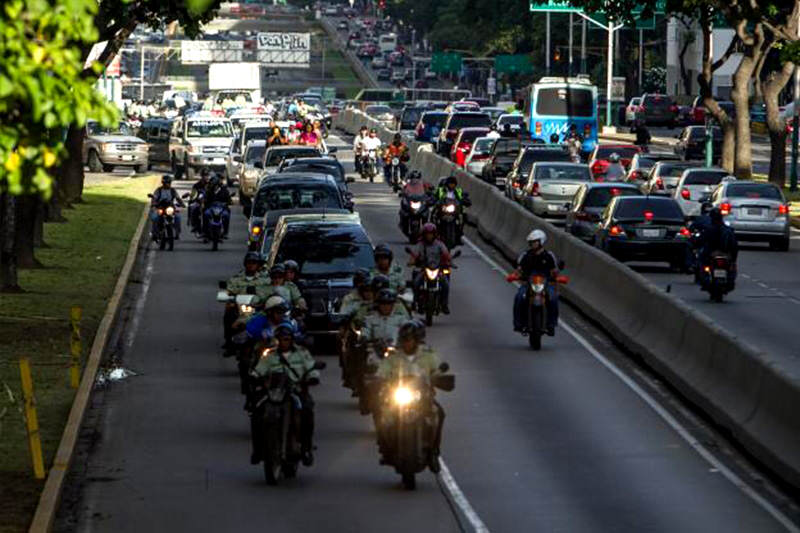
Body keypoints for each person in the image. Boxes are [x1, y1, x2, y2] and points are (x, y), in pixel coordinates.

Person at [374, 319, 445, 470]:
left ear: (417, 340)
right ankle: (385, 448)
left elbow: (437, 369)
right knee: (381, 414)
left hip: (423, 396)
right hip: (397, 396)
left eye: (410, 340)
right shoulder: (393, 357)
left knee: (439, 413)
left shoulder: (428, 355)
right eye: (404, 339)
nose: (407, 343)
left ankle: (434, 452)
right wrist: (378, 380)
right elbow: (382, 371)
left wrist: (439, 376)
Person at [249, 322, 320, 465]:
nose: (284, 342)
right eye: (281, 339)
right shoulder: (270, 356)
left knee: (307, 412)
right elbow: (258, 370)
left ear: (292, 339)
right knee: (256, 414)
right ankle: (258, 450)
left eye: (287, 339)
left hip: (296, 391)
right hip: (274, 392)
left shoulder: (302, 353)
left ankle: (306, 448)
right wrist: (254, 377)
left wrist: (312, 377)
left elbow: (311, 368)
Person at [509, 229, 559, 335]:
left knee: (553, 299)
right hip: (528, 284)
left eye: (535, 241)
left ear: (541, 242)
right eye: (531, 242)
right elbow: (518, 268)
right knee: (519, 297)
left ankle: (551, 324)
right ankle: (519, 324)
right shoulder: (525, 255)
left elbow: (555, 270)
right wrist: (516, 275)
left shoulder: (549, 255)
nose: (532, 244)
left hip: (545, 284)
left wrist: (555, 277)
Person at [223, 252, 269, 350]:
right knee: (229, 312)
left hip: (260, 307)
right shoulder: (236, 279)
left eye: (254, 263)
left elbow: (271, 292)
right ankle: (228, 342)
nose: (251, 265)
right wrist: (230, 301)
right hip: (241, 307)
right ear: (245, 264)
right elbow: (229, 293)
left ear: (258, 265)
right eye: (249, 262)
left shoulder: (265, 279)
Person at [408, 223, 452, 314]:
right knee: (416, 283)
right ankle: (415, 302)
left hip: (437, 269)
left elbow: (446, 254)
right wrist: (412, 261)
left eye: (431, 234)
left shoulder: (439, 244)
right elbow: (415, 254)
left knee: (446, 285)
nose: (429, 236)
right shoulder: (420, 244)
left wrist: (449, 261)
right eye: (427, 234)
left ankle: (444, 304)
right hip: (424, 269)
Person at [362, 289, 411, 353]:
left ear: (393, 305)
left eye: (388, 304)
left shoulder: (400, 319)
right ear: (378, 304)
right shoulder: (370, 319)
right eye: (383, 303)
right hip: (375, 351)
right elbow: (366, 331)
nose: (386, 307)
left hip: (396, 351)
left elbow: (408, 330)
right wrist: (364, 338)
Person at [696, 207, 738, 281]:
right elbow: (734, 246)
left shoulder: (709, 229)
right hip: (724, 254)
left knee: (701, 259)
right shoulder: (728, 229)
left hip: (712, 253)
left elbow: (700, 240)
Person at [150, 174, 184, 240]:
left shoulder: (173, 190)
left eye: (169, 182)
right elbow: (154, 198)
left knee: (178, 217)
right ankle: (154, 233)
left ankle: (177, 233)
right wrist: (153, 204)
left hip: (170, 207)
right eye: (166, 182)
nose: (168, 184)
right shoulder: (158, 190)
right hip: (160, 207)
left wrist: (182, 204)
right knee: (154, 217)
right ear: (163, 183)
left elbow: (178, 198)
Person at [203, 175, 232, 239]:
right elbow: (205, 199)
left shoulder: (224, 190)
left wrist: (228, 202)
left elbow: (229, 200)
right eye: (213, 184)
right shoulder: (209, 191)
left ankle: (225, 232)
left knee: (226, 215)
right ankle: (205, 231)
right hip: (211, 208)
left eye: (216, 184)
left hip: (222, 208)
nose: (215, 186)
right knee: (205, 214)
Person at [188, 168, 211, 234]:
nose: (206, 177)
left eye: (207, 175)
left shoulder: (211, 184)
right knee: (193, 208)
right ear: (201, 176)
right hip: (199, 202)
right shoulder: (196, 185)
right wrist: (193, 198)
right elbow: (193, 195)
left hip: (209, 202)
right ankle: (195, 225)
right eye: (204, 175)